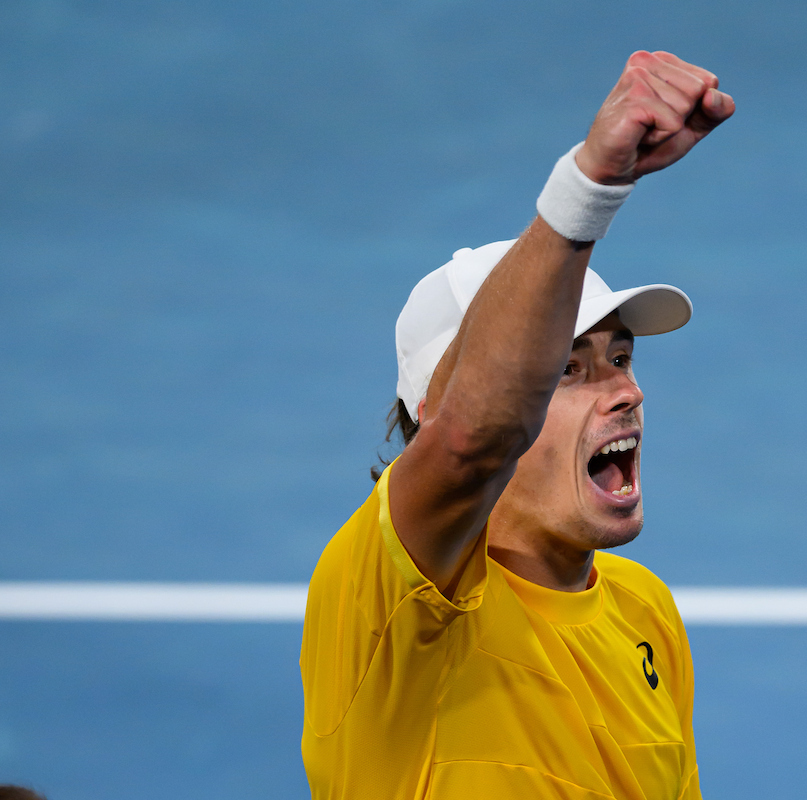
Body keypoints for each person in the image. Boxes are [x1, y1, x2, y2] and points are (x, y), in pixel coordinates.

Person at [300, 50, 735, 799]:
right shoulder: (391, 604)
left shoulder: (646, 611)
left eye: (620, 358)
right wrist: (586, 192)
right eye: (564, 370)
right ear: (435, 411)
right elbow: (474, 439)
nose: (626, 393)